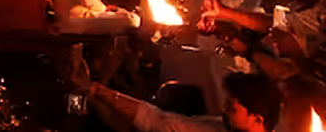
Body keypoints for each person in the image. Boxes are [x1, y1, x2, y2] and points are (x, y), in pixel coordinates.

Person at [77, 68, 283, 132]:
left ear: (258, 119)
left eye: (232, 109)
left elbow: (158, 121)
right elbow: (161, 121)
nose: (223, 110)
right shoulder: (218, 127)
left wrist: (102, 92)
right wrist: (100, 93)